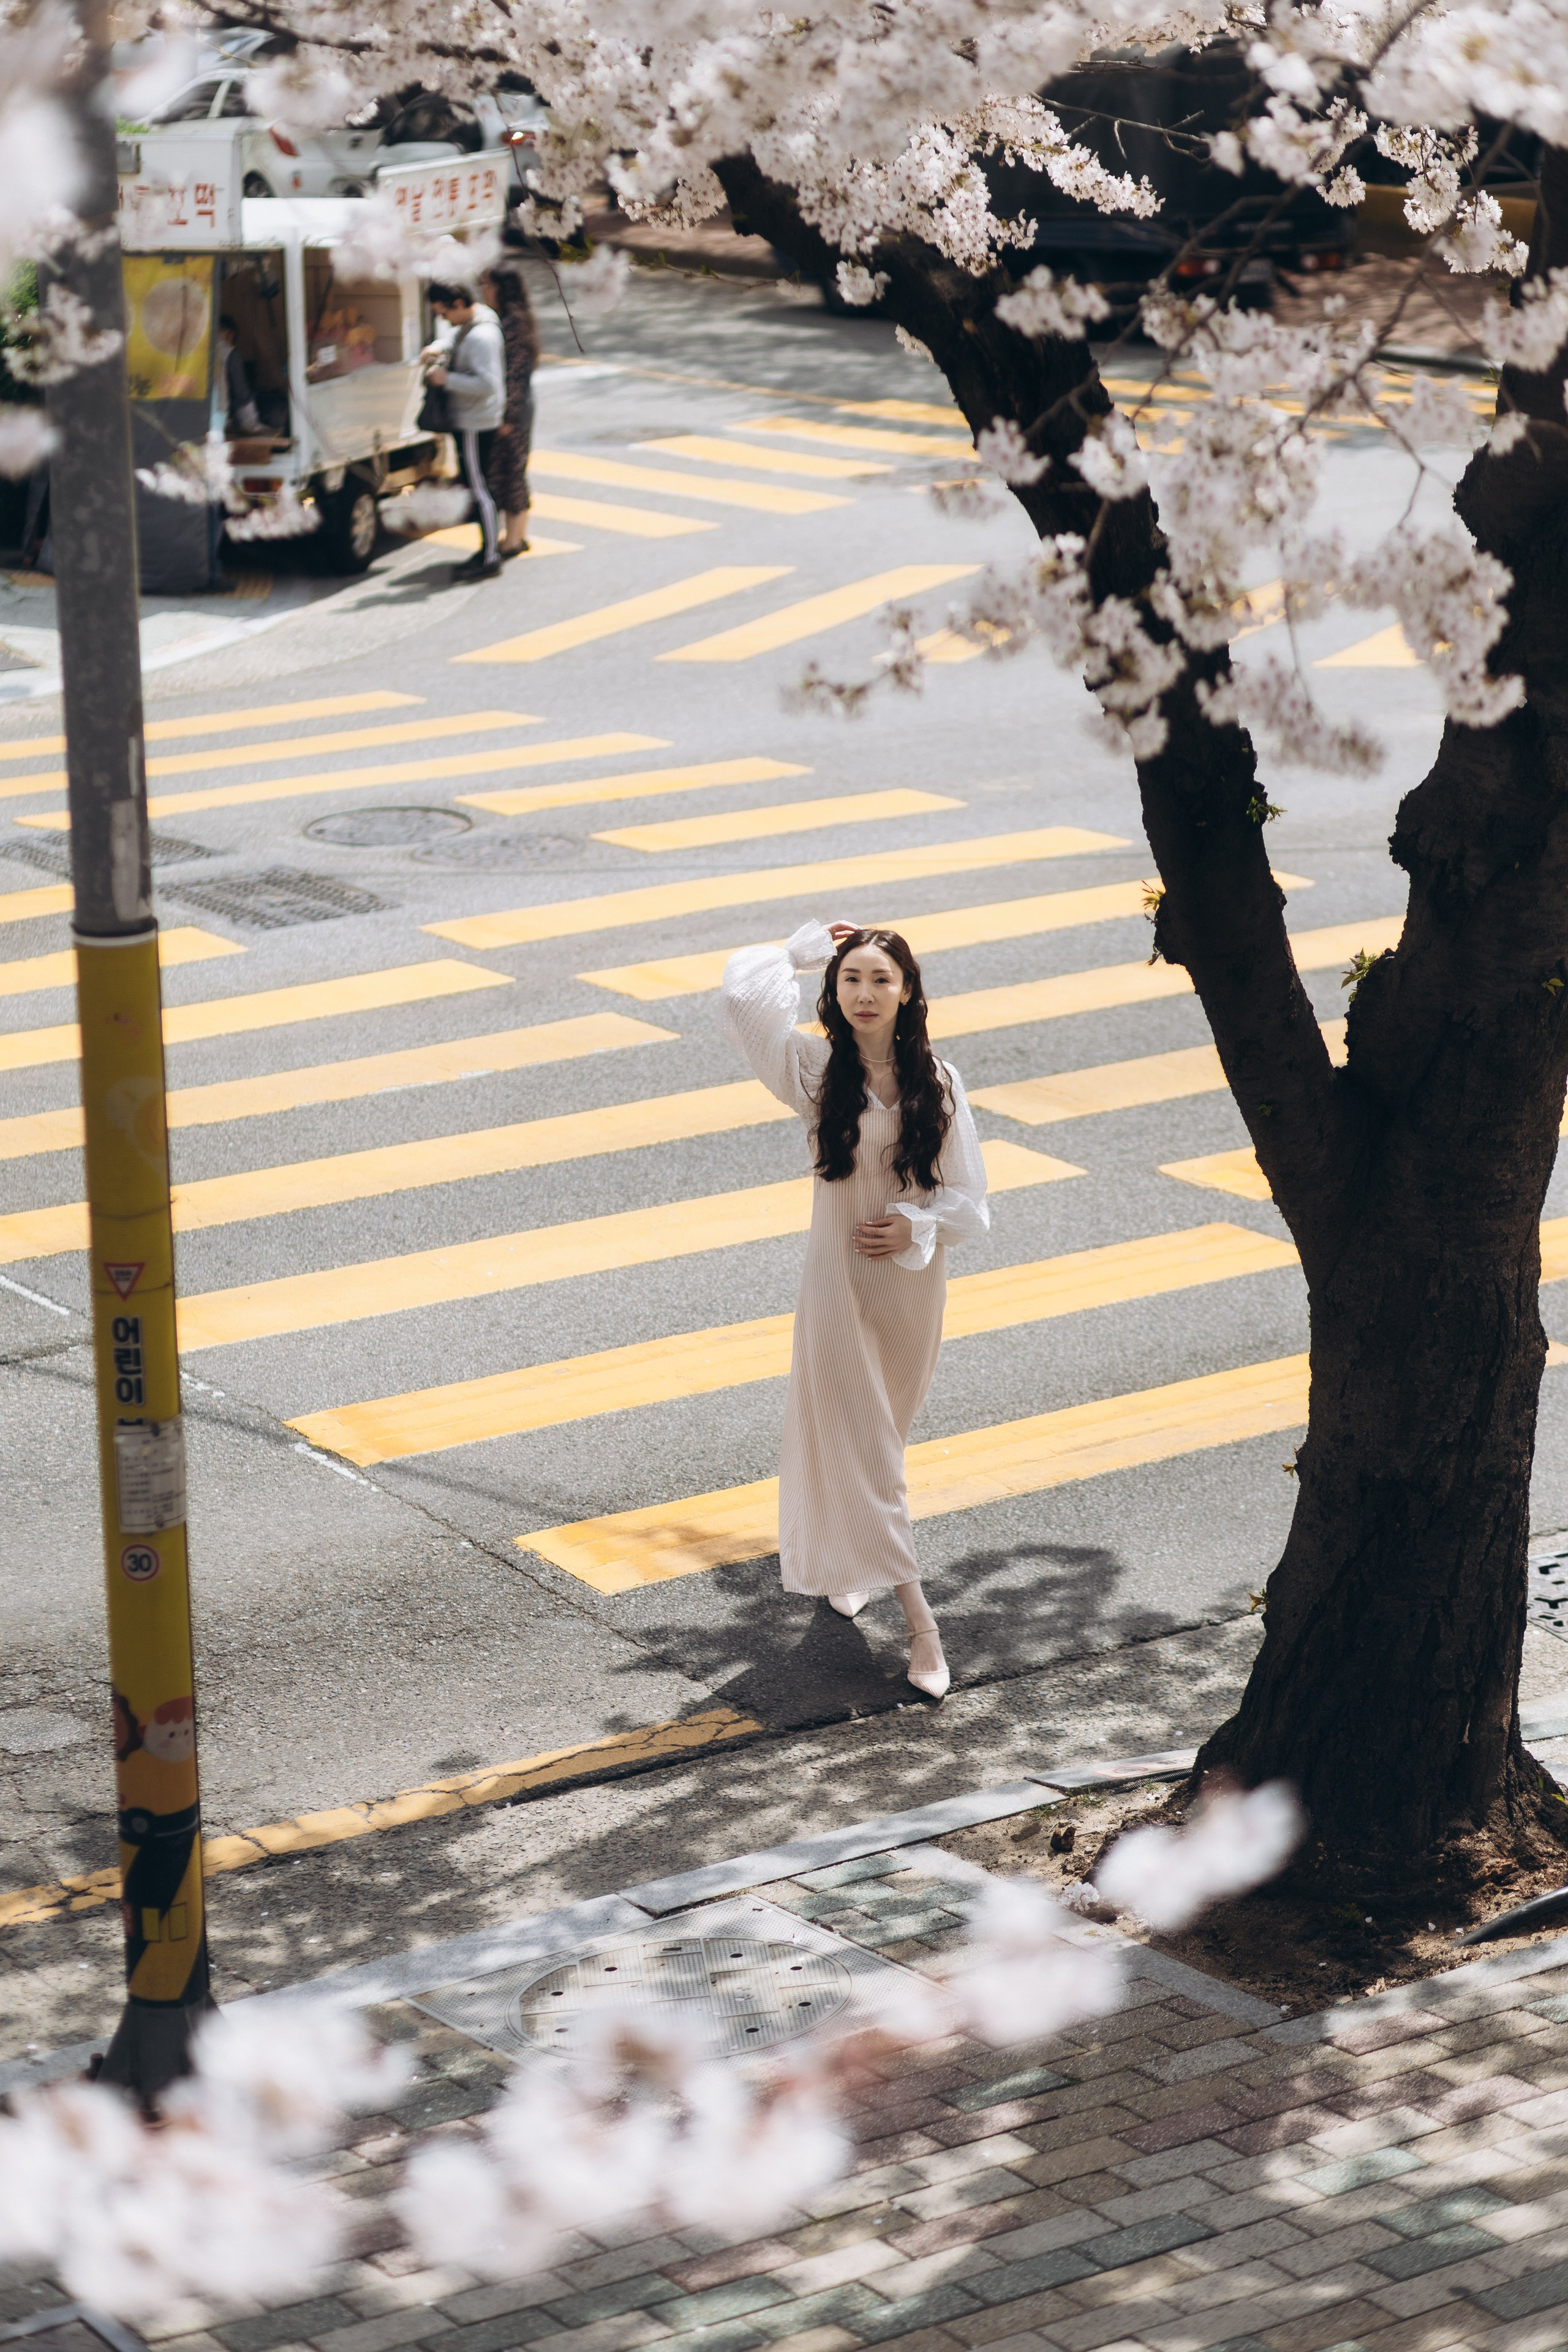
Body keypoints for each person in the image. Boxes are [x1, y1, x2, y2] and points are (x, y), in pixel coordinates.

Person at [721, 919, 991, 1699]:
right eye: (850, 980)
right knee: (865, 1449)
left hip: (909, 1288)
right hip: (837, 1285)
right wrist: (801, 947)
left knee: (881, 1445)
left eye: (881, 979)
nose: (866, 994)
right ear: (831, 995)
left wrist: (919, 1222)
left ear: (908, 993)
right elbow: (743, 995)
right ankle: (922, 1627)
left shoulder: (937, 1081)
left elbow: (971, 1201)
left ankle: (850, 1561)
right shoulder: (811, 1070)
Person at [422, 282, 505, 580]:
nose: (444, 321)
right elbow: (457, 335)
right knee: (480, 486)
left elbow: (488, 385)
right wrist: (440, 347)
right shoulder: (477, 321)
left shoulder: (482, 337)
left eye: (444, 314)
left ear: (458, 303)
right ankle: (489, 550)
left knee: (481, 490)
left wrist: (447, 379)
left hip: (475, 422)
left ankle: (490, 556)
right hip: (476, 420)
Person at [480, 263, 538, 558]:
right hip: (515, 408)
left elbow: (515, 375)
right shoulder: (509, 320)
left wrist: (508, 417)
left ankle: (514, 539)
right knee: (511, 470)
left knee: (511, 471)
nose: (484, 292)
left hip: (513, 411)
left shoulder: (512, 325)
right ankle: (517, 534)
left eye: (488, 286)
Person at [217, 315, 262, 436]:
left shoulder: (202, 352)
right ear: (231, 334)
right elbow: (241, 394)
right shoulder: (231, 354)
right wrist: (253, 425)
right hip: (223, 420)